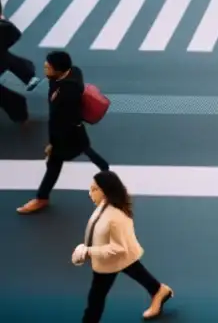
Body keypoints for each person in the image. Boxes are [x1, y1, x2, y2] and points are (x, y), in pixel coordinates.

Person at [17, 51, 110, 214]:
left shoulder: (65, 93)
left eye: (48, 67)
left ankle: (41, 198)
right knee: (85, 149)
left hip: (66, 134)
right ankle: (107, 172)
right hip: (77, 130)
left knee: (54, 164)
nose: (45, 68)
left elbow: (57, 122)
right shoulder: (73, 71)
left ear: (59, 70)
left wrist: (52, 144)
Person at [73, 170, 174, 321]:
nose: (90, 193)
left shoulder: (116, 216)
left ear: (106, 191)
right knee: (136, 271)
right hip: (120, 258)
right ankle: (159, 290)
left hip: (112, 260)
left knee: (96, 297)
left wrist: (88, 251)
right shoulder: (103, 207)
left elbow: (119, 248)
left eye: (94, 189)